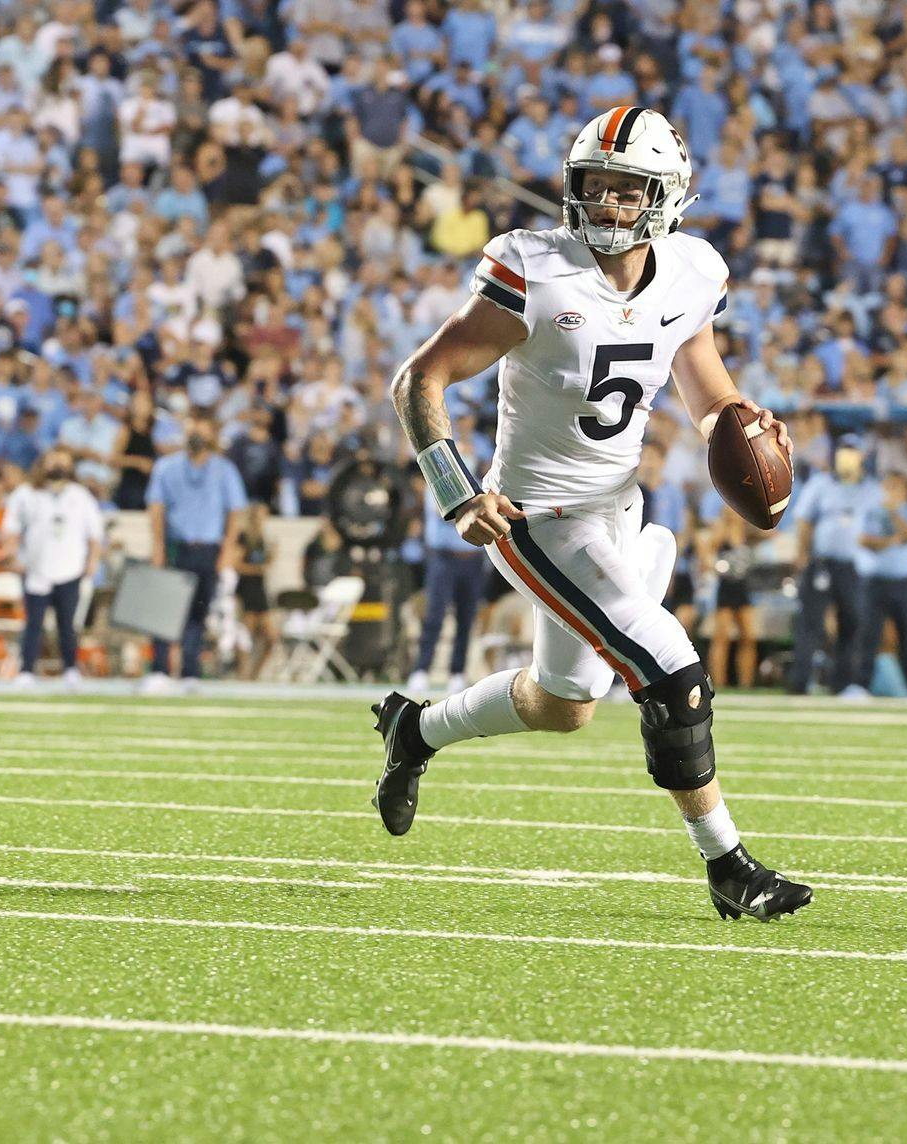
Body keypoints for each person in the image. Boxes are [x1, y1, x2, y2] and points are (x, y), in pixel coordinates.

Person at [370, 106, 811, 922]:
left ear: (667, 195)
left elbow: (705, 390)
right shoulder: (534, 269)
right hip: (537, 517)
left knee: (565, 704)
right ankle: (729, 866)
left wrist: (742, 426)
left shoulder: (690, 273)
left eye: (627, 190)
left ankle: (415, 732)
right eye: (596, 187)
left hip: (616, 508)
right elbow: (419, 380)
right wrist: (458, 491)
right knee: (670, 671)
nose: (608, 205)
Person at [142, 411, 247, 693]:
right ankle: (160, 670)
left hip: (209, 548)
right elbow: (156, 508)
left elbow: (235, 512)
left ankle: (190, 672)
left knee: (198, 613)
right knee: (164, 608)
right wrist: (158, 546)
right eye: (192, 429)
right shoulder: (166, 467)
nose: (197, 435)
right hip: (177, 545)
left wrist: (227, 550)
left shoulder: (224, 469)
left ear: (212, 434)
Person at [1, 446, 103, 687]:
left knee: (67, 624)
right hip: (36, 568)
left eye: (63, 462)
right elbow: (11, 528)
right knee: (33, 622)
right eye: (53, 461)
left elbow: (95, 533)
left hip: (70, 568)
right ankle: (26, 670)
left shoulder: (80, 495)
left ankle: (70, 669)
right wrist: (13, 555)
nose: (57, 467)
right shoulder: (26, 494)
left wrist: (93, 560)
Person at [788, 437, 877, 697]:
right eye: (844, 451)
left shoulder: (871, 489)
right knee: (810, 622)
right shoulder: (821, 484)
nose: (847, 457)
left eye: (853, 452)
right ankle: (800, 682)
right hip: (822, 562)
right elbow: (804, 521)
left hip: (854, 566)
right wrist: (803, 554)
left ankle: (844, 684)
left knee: (852, 621)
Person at [406, 435, 491, 695]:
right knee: (435, 615)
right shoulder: (440, 480)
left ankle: (457, 672)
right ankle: (422, 669)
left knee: (466, 617)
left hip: (472, 558)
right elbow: (446, 510)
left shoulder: (482, 483)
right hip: (444, 556)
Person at [856, 472, 907, 698]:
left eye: (894, 488)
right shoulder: (872, 512)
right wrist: (889, 541)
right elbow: (864, 540)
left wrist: (894, 514)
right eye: (887, 487)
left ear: (904, 492)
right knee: (869, 634)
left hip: (905, 582)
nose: (889, 493)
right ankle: (860, 685)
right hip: (877, 580)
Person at [705, 511, 757, 690]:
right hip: (726, 587)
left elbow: (769, 534)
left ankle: (746, 683)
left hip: (744, 586)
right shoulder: (721, 532)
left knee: (748, 636)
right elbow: (707, 556)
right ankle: (719, 682)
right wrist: (716, 567)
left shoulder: (747, 531)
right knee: (722, 637)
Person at [234, 501, 277, 680]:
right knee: (246, 633)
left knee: (271, 636)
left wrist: (271, 557)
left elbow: (265, 565)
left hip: (260, 589)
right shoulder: (243, 537)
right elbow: (236, 564)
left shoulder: (263, 539)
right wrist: (257, 569)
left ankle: (255, 673)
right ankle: (243, 673)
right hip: (246, 588)